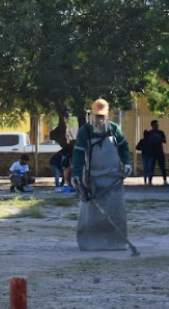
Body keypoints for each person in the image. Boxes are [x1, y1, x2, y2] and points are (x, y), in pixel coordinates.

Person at [72, 99, 131, 251]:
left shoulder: (114, 129)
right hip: (93, 179)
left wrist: (127, 163)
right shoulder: (85, 131)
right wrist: (76, 174)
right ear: (92, 115)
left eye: (102, 116)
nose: (100, 119)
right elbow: (78, 153)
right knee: (92, 215)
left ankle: (117, 242)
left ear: (107, 115)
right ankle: (90, 243)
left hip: (114, 180)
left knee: (116, 212)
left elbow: (123, 147)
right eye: (97, 116)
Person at [143, 120, 167, 186]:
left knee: (162, 167)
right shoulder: (149, 133)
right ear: (152, 125)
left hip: (160, 152)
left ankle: (165, 181)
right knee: (151, 168)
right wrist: (148, 136)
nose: (157, 126)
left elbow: (165, 141)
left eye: (157, 125)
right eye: (155, 125)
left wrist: (159, 137)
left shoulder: (161, 132)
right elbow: (146, 142)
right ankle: (150, 181)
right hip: (152, 153)